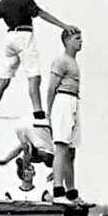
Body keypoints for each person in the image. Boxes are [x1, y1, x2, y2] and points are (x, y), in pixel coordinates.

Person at [46, 29, 85, 205]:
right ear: (67, 40)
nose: (81, 41)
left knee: (71, 151)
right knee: (61, 146)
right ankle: (57, 190)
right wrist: (49, 112)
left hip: (74, 101)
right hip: (63, 100)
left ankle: (71, 192)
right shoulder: (60, 61)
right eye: (77, 38)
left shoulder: (74, 62)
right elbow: (51, 88)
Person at [0, 118, 55, 202]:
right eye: (26, 170)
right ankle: (30, 153)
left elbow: (20, 149)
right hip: (36, 139)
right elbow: (19, 149)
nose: (27, 173)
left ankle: (31, 153)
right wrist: (5, 160)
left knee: (45, 157)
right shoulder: (12, 192)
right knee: (32, 151)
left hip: (39, 144)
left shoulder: (42, 154)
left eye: (28, 170)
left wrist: (5, 160)